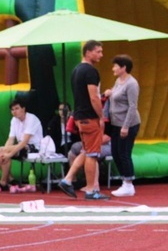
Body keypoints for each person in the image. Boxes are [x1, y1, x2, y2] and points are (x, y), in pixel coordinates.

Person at [58, 40, 108, 200]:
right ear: (88, 52)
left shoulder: (76, 70)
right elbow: (94, 97)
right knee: (93, 154)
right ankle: (91, 190)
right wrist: (101, 117)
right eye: (98, 51)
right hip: (89, 117)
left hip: (80, 116)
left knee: (86, 151)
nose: (101, 55)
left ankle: (67, 179)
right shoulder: (90, 71)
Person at [105, 54, 140, 197]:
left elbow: (132, 106)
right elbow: (117, 95)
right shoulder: (118, 80)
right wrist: (109, 92)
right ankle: (124, 181)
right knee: (115, 152)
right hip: (115, 123)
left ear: (123, 67)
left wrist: (125, 127)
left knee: (124, 153)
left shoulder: (132, 84)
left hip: (128, 124)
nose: (113, 68)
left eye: (115, 66)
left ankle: (128, 184)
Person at [0, 98, 43, 190]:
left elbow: (24, 142)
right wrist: (5, 150)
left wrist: (9, 153)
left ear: (23, 108)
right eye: (12, 110)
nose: (14, 111)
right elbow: (10, 139)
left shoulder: (32, 119)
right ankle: (11, 179)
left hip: (33, 148)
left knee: (6, 153)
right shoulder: (14, 120)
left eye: (17, 108)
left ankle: (2, 182)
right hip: (20, 146)